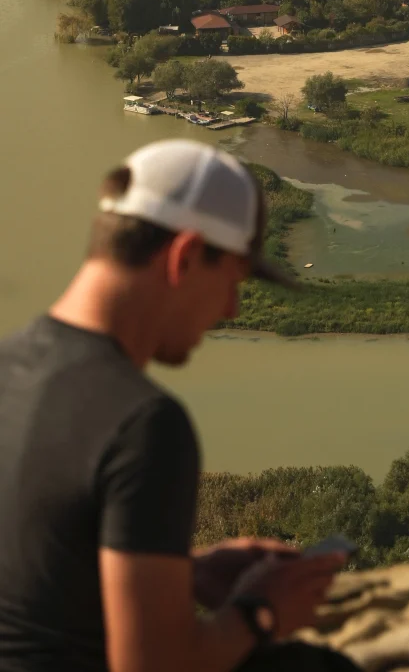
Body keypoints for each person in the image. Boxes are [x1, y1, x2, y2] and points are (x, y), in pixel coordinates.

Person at [0, 140, 354, 672]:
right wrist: (261, 611)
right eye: (233, 281)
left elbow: (34, 573)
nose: (232, 309)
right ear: (185, 256)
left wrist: (179, 573)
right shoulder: (142, 425)